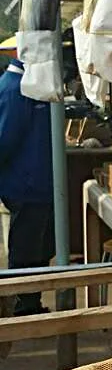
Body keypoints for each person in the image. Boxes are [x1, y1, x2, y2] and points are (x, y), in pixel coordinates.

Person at [0, 58, 54, 315]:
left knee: (36, 247)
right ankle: (23, 306)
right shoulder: (14, 89)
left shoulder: (26, 87)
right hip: (25, 184)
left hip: (33, 182)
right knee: (26, 248)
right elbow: (4, 140)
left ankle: (30, 302)